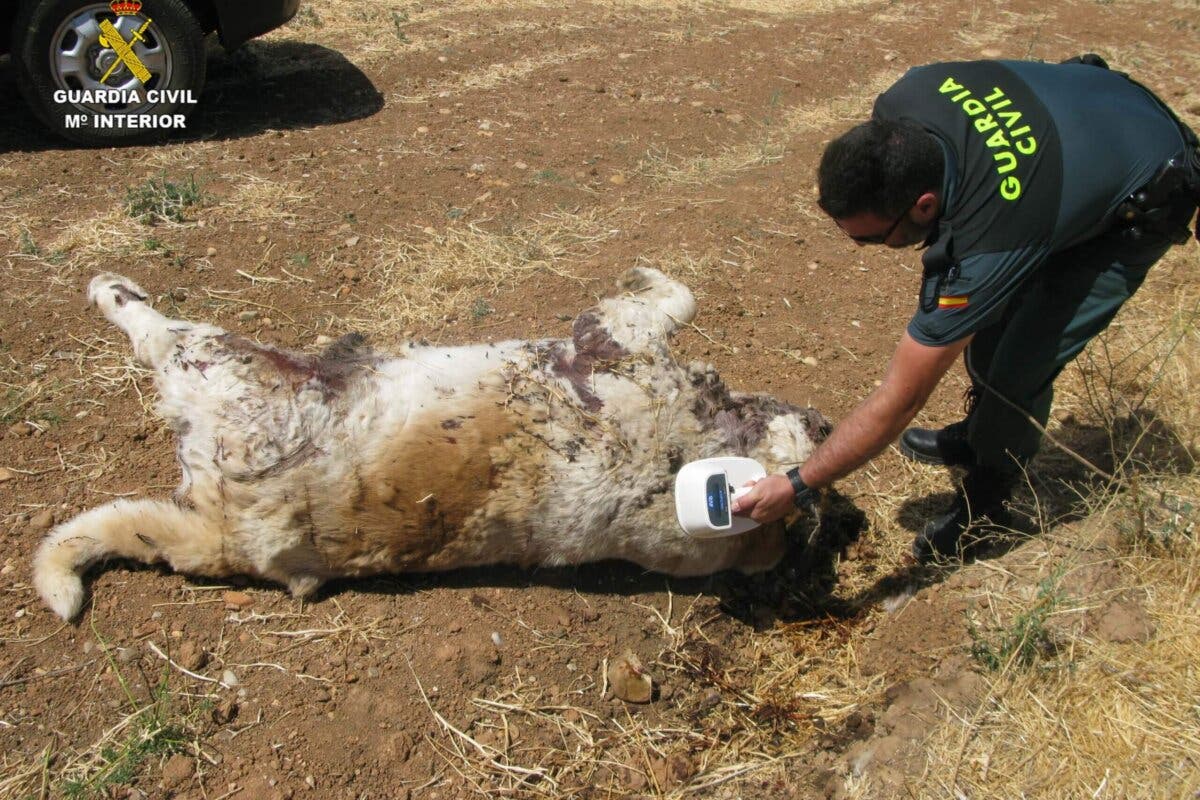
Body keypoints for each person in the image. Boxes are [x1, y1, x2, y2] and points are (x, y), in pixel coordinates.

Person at [732, 56, 1199, 562]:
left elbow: (900, 400)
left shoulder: (989, 241)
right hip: (1088, 118)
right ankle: (980, 437)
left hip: (1146, 182)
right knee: (989, 334)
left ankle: (988, 505)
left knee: (1019, 367)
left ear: (925, 206)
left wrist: (798, 483)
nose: (859, 249)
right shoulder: (902, 99)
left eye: (871, 240)